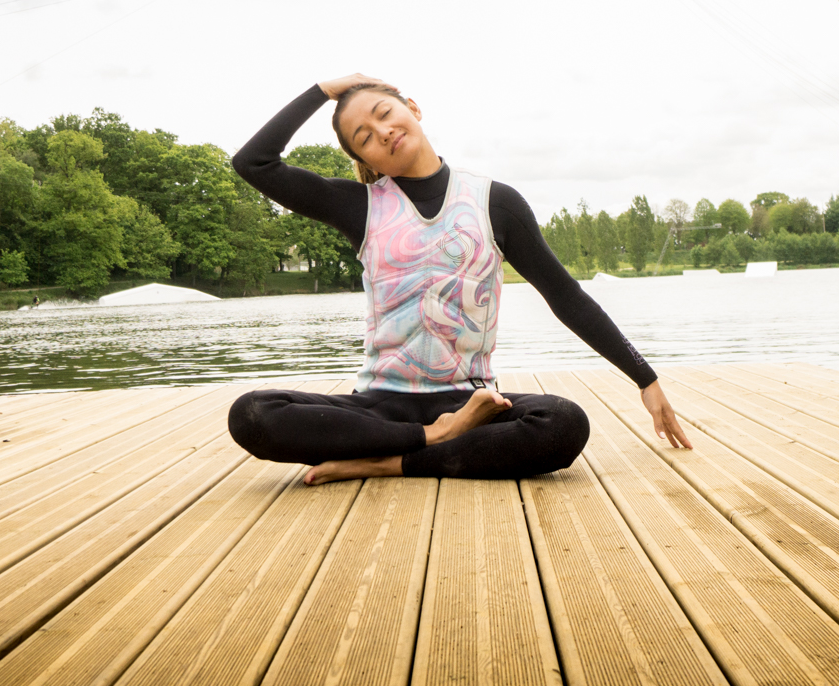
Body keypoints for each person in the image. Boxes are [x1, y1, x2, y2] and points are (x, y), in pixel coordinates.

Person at [227, 74, 691, 485]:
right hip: (379, 406)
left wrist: (644, 378)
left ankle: (387, 464)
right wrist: (323, 90)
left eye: (385, 113)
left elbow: (565, 296)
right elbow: (254, 163)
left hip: (472, 404)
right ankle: (432, 439)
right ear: (363, 158)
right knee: (251, 414)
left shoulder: (495, 202)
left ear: (414, 109)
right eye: (363, 136)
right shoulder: (359, 205)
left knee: (564, 422)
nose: (383, 131)